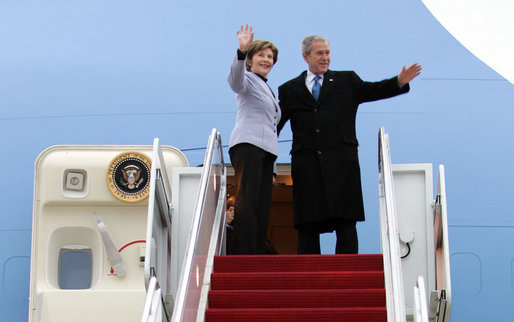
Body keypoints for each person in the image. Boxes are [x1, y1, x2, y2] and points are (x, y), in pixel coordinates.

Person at [277, 35, 421, 254]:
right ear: (305, 56)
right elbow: (274, 125)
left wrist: (399, 82)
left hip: (341, 165)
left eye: (327, 52)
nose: (325, 57)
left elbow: (374, 90)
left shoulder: (347, 81)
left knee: (345, 223)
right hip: (307, 167)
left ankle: (347, 276)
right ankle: (308, 281)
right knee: (307, 226)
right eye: (319, 53)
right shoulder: (289, 89)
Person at [227, 24, 280, 254]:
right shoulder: (246, 79)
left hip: (267, 151)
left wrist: (275, 168)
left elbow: (272, 127)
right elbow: (234, 81)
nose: (267, 59)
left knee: (262, 205)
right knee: (247, 201)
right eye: (261, 55)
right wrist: (241, 50)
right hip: (248, 145)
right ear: (251, 59)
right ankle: (244, 253)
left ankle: (258, 253)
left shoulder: (269, 89)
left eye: (270, 57)